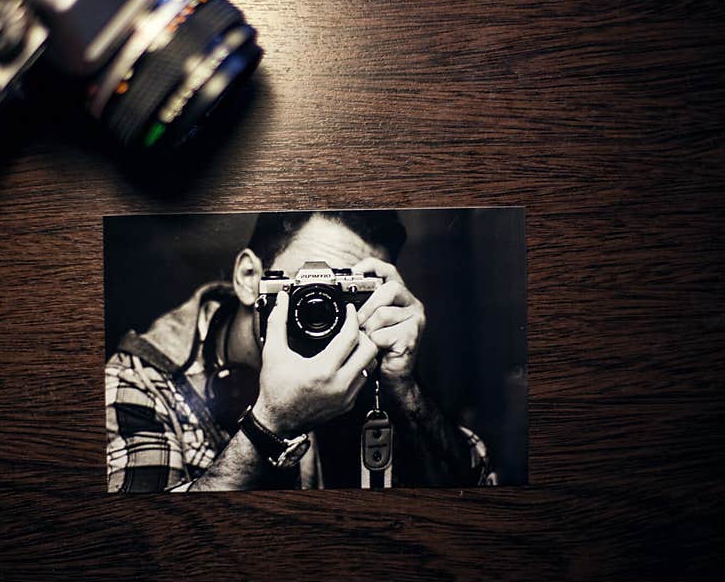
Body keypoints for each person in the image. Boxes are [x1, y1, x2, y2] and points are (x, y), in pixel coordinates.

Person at [106, 210, 496, 492]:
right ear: (250, 279)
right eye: (308, 289)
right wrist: (271, 427)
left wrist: (403, 386)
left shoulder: (368, 359)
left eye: (347, 292)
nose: (325, 310)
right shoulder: (139, 378)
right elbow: (139, 551)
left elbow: (479, 491)